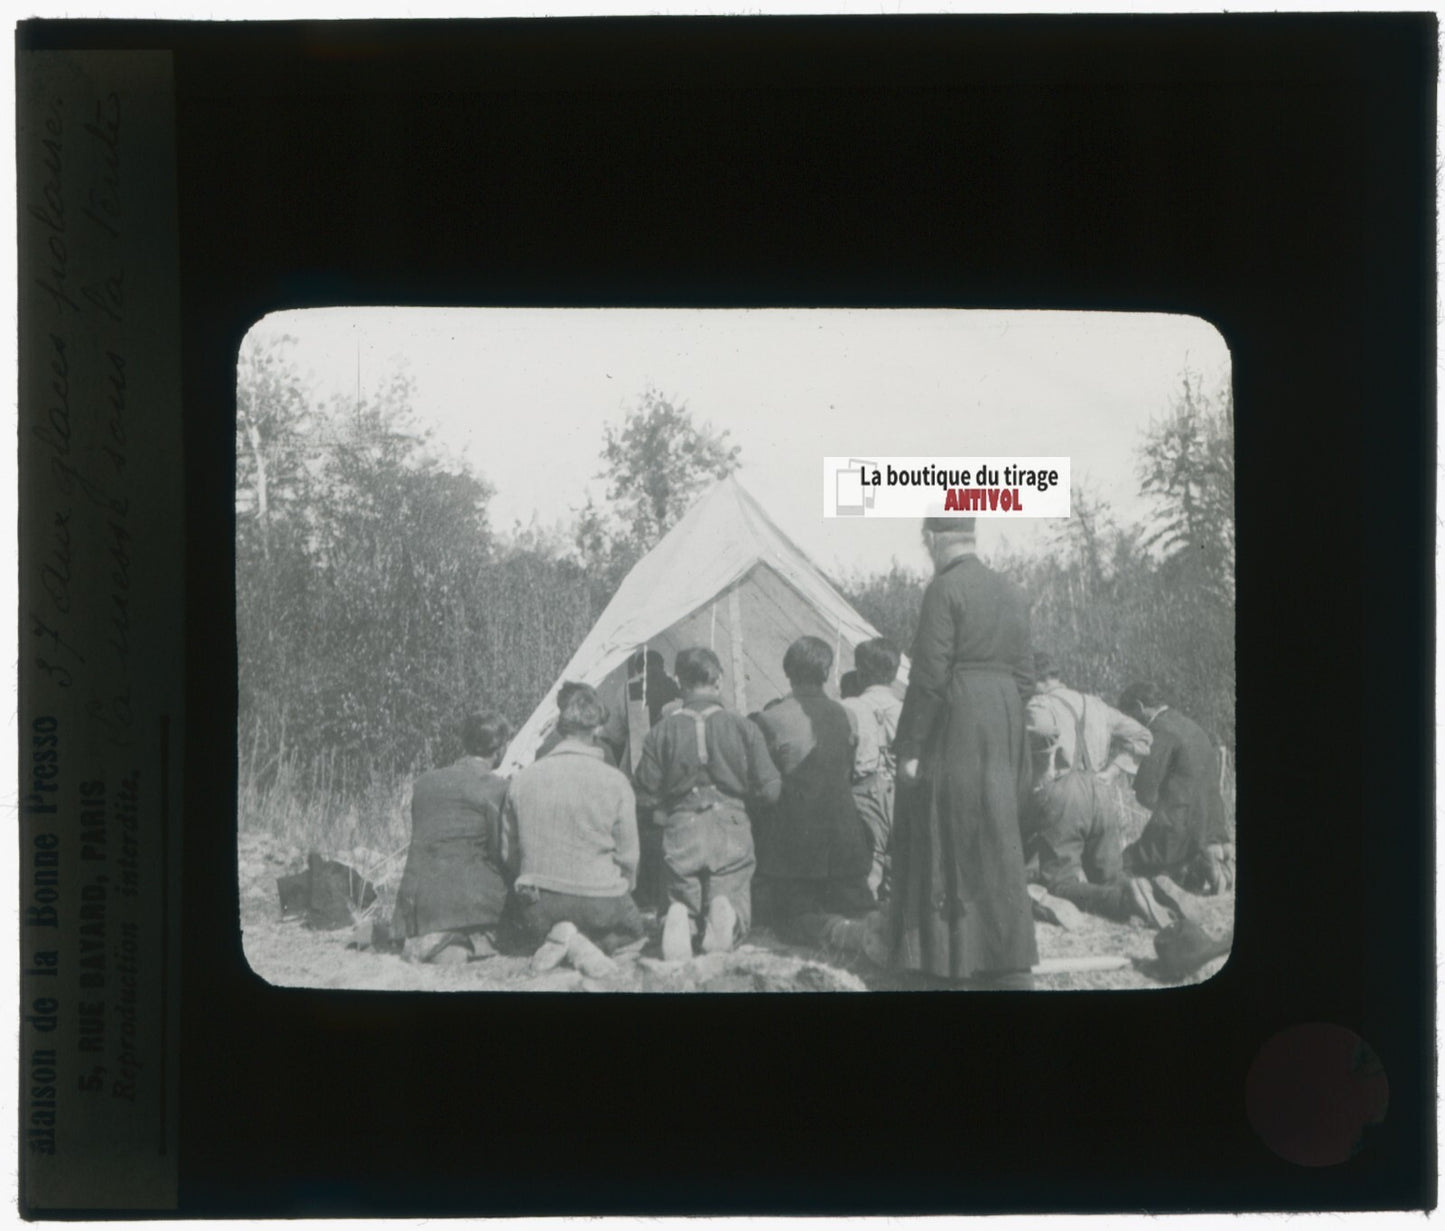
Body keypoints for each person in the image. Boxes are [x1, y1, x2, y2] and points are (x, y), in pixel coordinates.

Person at [892, 517, 1037, 990]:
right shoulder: (1012, 590)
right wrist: (1003, 717)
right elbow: (1026, 678)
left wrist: (913, 746)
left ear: (932, 540)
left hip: (959, 718)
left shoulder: (943, 589)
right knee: (999, 834)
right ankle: (1007, 959)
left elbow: (929, 676)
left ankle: (950, 961)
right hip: (1006, 719)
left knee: (947, 830)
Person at [634, 647, 782, 960]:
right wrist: (747, 808)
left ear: (679, 683)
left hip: (681, 822)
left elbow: (644, 794)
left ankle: (679, 917)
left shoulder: (661, 731)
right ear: (719, 680)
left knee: (679, 888)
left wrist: (661, 814)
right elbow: (771, 789)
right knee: (730, 885)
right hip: (730, 820)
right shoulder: (744, 726)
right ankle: (726, 911)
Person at [751, 636, 886, 962]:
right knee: (854, 901)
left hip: (796, 843)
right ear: (826, 672)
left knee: (785, 915)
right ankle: (871, 924)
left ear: (788, 670)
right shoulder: (847, 716)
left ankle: (840, 931)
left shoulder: (770, 719)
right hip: (845, 838)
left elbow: (765, 787)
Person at [501, 683, 645, 975]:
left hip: (539, 903)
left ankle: (564, 936)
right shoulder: (616, 782)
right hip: (599, 900)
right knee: (631, 935)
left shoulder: (522, 780)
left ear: (559, 726)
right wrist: (621, 889)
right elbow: (629, 858)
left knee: (540, 924)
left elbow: (508, 854)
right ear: (597, 729)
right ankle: (584, 941)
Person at [1023, 654, 1163, 925]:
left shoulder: (1039, 704)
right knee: (1109, 876)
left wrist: (1044, 766)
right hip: (1100, 789)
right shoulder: (1095, 704)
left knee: (1059, 883)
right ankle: (1150, 894)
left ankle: (1126, 901)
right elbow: (1143, 735)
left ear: (1037, 680)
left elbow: (1042, 729)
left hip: (1064, 792)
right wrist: (1113, 771)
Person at [393, 712, 513, 964]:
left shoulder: (425, 783)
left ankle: (435, 937)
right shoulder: (497, 788)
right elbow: (501, 852)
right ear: (500, 749)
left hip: (417, 904)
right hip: (464, 902)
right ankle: (460, 940)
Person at [1116, 682, 1234, 895]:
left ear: (1139, 707)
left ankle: (1195, 864)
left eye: (1130, 716)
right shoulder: (1190, 725)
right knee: (1180, 878)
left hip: (1177, 828)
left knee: (1121, 868)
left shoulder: (1159, 730)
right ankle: (1204, 863)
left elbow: (1146, 791)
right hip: (1211, 826)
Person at [839, 638, 904, 901]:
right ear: (895, 673)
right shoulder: (907, 709)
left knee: (866, 873)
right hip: (903, 796)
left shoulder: (847, 708)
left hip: (862, 796)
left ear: (861, 672)